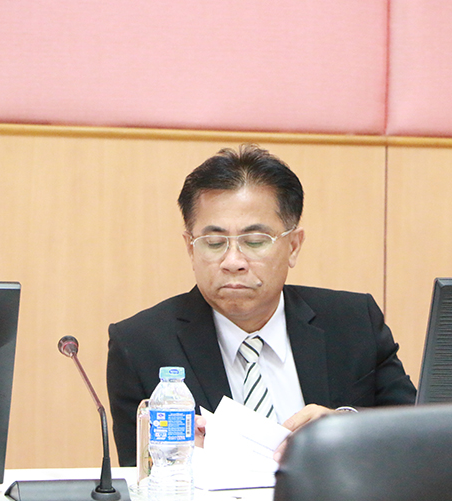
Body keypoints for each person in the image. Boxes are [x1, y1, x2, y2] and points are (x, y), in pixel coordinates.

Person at [107, 144, 416, 466]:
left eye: (254, 241)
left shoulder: (353, 322)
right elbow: (140, 474)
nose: (233, 261)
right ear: (190, 248)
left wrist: (346, 426)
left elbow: (422, 432)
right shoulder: (140, 345)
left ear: (293, 246)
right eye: (214, 243)